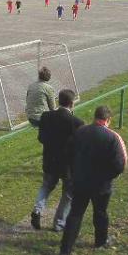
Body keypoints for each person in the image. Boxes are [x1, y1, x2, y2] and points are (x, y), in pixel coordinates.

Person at [58, 106, 127, 255]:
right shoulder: (112, 137)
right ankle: (100, 241)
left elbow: (67, 154)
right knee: (100, 213)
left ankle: (65, 249)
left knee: (75, 214)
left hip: (81, 182)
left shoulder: (80, 132)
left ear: (95, 117)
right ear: (108, 120)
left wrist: (74, 173)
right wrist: (108, 176)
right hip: (101, 185)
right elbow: (119, 165)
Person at [31, 90, 84, 233]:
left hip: (49, 160)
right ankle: (59, 223)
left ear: (58, 101)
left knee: (46, 186)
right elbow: (79, 146)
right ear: (72, 104)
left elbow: (41, 138)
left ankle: (37, 210)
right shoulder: (77, 123)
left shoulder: (46, 116)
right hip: (67, 165)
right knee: (68, 194)